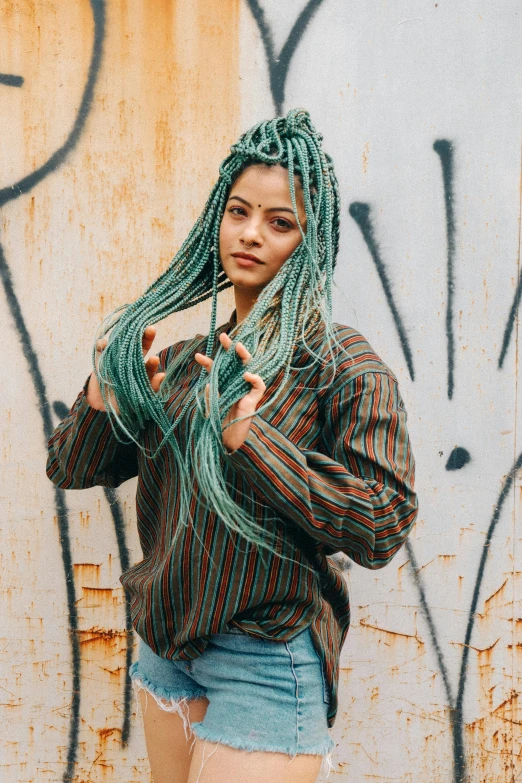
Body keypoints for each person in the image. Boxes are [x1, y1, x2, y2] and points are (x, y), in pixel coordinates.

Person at [46, 109, 418, 783]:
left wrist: (253, 443)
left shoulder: (343, 366)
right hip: (167, 650)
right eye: (239, 211)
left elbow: (383, 521)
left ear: (311, 240)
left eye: (280, 222)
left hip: (268, 660)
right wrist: (103, 402)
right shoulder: (188, 363)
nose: (250, 234)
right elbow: (71, 468)